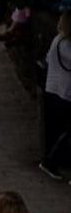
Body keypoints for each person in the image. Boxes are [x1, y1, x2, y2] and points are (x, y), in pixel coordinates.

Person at [39, 13, 71, 179]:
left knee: (60, 129)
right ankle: (51, 161)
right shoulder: (65, 45)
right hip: (62, 93)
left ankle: (54, 160)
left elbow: (47, 59)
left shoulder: (57, 39)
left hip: (55, 90)